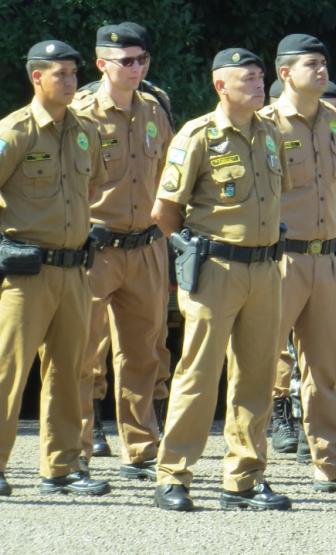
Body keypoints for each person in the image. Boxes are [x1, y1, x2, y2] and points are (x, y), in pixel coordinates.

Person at [151, 48, 292, 511]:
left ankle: (244, 479)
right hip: (216, 269)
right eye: (247, 78)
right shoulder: (198, 136)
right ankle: (174, 476)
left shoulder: (270, 133)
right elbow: (165, 211)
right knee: (198, 374)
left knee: (255, 376)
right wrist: (192, 251)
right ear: (221, 86)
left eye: (260, 77)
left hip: (266, 269)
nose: (257, 83)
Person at [259, 34, 336, 492]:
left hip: (328, 259)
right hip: (280, 259)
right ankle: (248, 468)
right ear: (285, 73)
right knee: (258, 363)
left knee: (324, 369)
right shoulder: (263, 125)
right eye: (312, 63)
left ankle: (332, 465)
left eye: (324, 62)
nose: (322, 69)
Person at [0, 40, 110, 496]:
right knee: (8, 371)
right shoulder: (17, 130)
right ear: (36, 78)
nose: (69, 81)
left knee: (70, 372)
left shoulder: (85, 130)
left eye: (72, 72)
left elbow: (95, 184)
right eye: (59, 73)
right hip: (26, 272)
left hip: (74, 270)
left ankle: (61, 468)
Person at [72, 23, 173, 481]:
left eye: (142, 60)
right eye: (126, 61)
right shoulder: (79, 115)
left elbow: (170, 177)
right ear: (102, 64)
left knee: (143, 353)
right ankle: (76, 449)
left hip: (146, 246)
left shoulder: (154, 110)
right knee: (80, 350)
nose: (136, 69)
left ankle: (142, 448)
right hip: (95, 246)